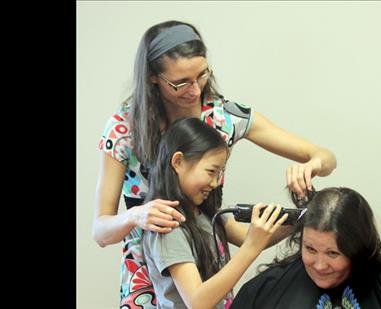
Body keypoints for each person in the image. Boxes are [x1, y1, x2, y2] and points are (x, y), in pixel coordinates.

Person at [93, 20, 337, 308]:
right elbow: (100, 231)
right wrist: (135, 216)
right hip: (148, 276)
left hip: (207, 261)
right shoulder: (124, 128)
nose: (195, 91)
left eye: (202, 75)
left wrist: (310, 167)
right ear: (152, 77)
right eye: (181, 82)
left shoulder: (223, 116)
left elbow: (325, 157)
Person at [141, 117, 295, 308]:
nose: (215, 183)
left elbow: (252, 237)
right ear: (178, 162)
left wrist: (295, 223)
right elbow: (197, 302)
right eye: (211, 171)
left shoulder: (204, 214)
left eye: (219, 173)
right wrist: (251, 248)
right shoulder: (169, 225)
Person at [231, 187, 381, 309]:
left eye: (332, 253)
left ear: (357, 249)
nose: (320, 265)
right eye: (310, 249)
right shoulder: (265, 289)